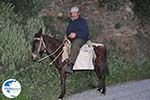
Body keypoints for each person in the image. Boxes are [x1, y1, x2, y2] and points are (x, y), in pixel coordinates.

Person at [65, 6, 89, 73]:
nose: (74, 14)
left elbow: (85, 33)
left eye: (75, 13)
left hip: (81, 38)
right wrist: (69, 35)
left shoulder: (82, 21)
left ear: (78, 13)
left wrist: (76, 34)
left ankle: (71, 64)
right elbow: (68, 31)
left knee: (75, 44)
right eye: (72, 13)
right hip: (71, 39)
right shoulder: (71, 22)